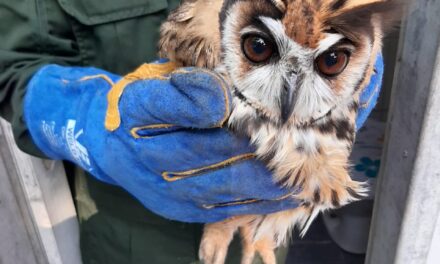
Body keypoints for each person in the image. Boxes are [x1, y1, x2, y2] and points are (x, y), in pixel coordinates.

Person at [0, 1, 382, 263]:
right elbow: (13, 73)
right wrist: (88, 124)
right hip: (130, 232)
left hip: (262, 237)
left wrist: (351, 63)